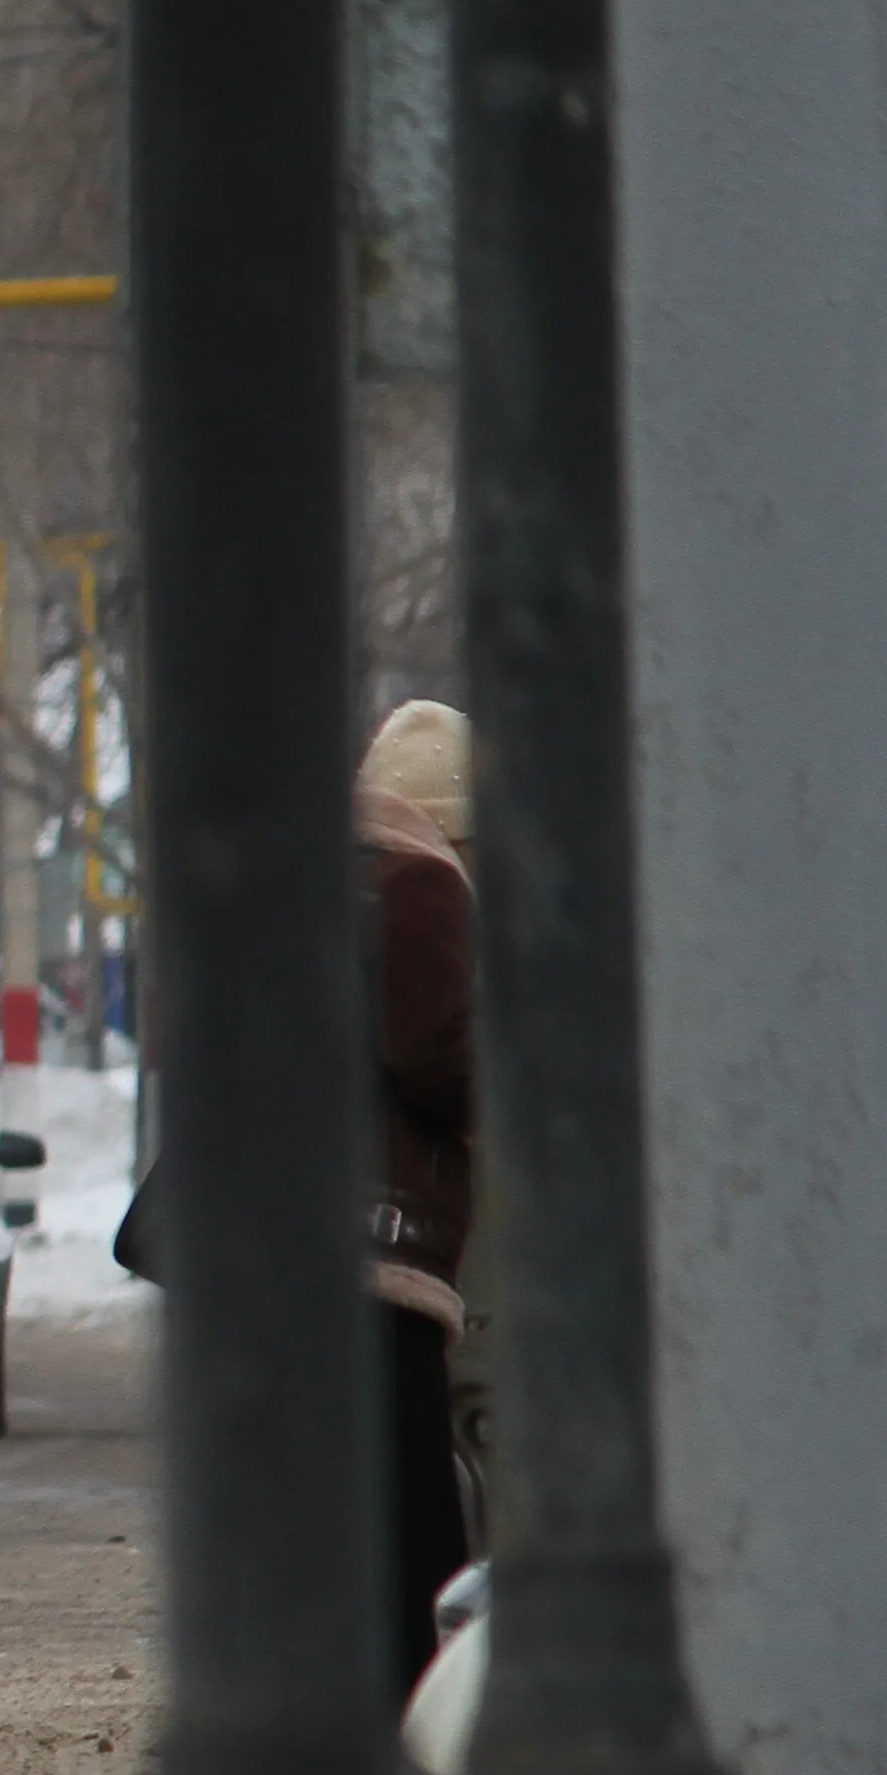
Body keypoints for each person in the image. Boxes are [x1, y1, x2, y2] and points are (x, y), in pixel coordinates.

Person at [359, 698, 477, 1687]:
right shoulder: (423, 879)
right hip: (382, 1246)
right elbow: (440, 1047)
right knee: (414, 1529)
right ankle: (407, 1727)